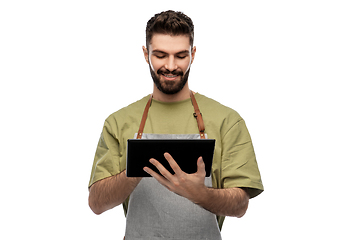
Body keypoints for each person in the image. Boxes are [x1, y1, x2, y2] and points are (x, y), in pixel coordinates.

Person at [88, 10, 264, 240]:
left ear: (193, 54)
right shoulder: (118, 122)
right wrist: (139, 167)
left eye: (180, 56)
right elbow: (97, 203)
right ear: (145, 53)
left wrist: (200, 194)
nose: (170, 66)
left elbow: (240, 205)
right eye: (160, 55)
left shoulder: (227, 121)